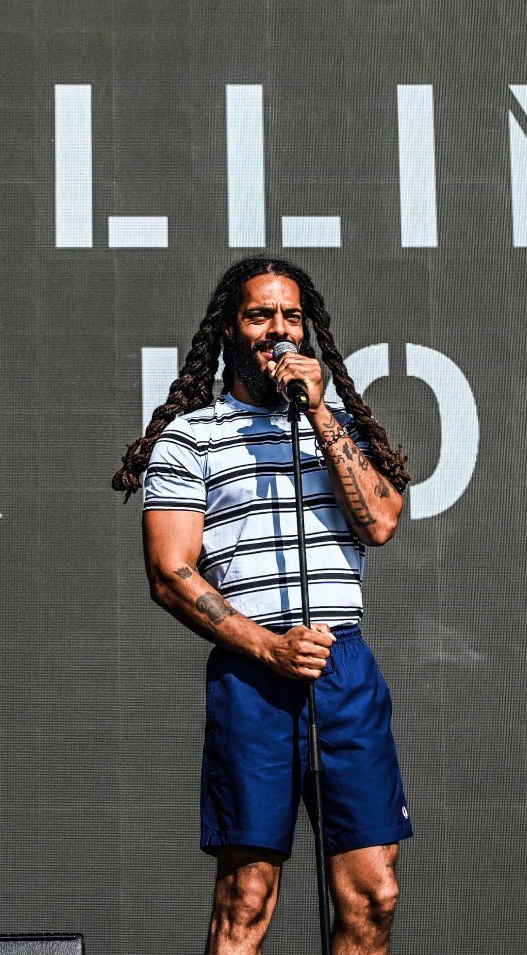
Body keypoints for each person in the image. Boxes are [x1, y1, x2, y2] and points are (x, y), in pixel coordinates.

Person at [112, 256, 413, 955]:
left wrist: (320, 411)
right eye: (260, 315)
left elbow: (380, 522)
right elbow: (169, 572)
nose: (279, 329)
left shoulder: (340, 427)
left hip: (342, 667)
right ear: (229, 329)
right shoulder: (192, 437)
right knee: (247, 898)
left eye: (291, 317)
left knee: (374, 893)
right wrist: (268, 647)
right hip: (255, 671)